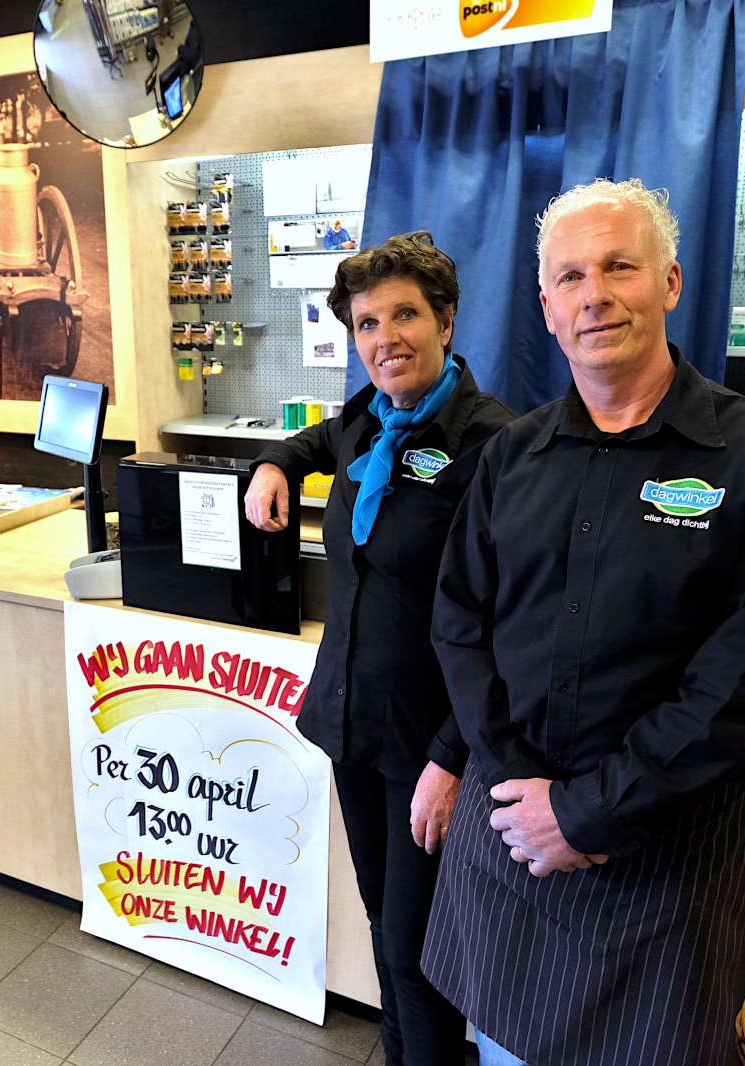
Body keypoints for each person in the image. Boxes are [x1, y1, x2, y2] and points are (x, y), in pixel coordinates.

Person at [421, 178, 745, 1065]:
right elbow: (461, 624)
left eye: (619, 267)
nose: (594, 294)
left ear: (671, 283)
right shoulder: (510, 460)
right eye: (570, 277)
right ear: (545, 306)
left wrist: (590, 813)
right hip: (514, 839)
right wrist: (510, 784)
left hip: (669, 865)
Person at [243, 231, 515, 1066]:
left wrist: (451, 756)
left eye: (404, 315)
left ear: (446, 321)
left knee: (415, 948)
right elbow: (317, 440)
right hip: (351, 725)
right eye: (366, 323)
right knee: (379, 920)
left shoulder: (494, 443)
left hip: (428, 746)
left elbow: (513, 625)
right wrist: (273, 464)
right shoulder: (369, 420)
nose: (385, 337)